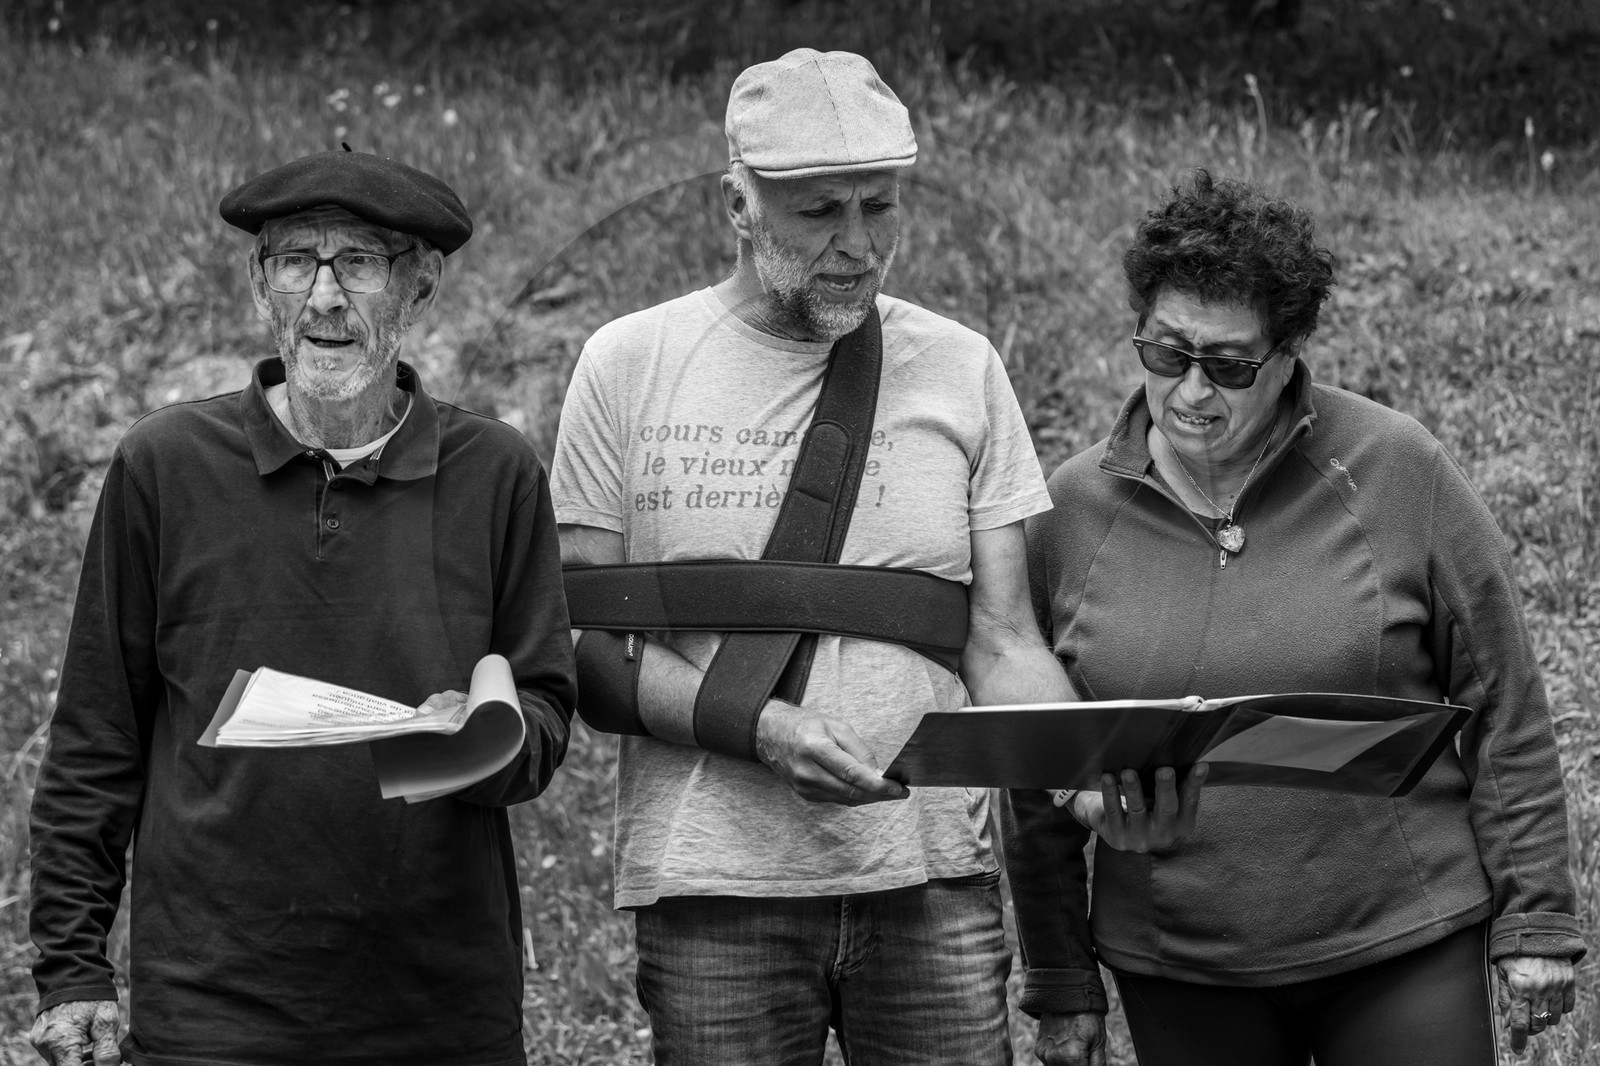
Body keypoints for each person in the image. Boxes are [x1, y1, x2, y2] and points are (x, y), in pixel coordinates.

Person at [550, 48, 1201, 1065]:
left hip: (931, 883)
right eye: (818, 213)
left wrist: (1086, 773)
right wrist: (760, 728)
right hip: (714, 890)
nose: (858, 244)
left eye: (880, 207)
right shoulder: (626, 365)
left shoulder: (960, 364)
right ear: (738, 202)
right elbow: (589, 650)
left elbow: (1000, 640)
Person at [1003, 169, 1585, 1066]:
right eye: (1166, 355)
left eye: (1230, 367)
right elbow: (1037, 760)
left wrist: (1537, 915)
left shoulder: (1396, 469)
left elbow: (1505, 699)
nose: (1193, 392)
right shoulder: (1070, 510)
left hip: (1400, 939)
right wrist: (1060, 978)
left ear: (1288, 354)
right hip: (1182, 960)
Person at [28, 149, 577, 1066]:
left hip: (439, 1011)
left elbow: (548, 712)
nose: (325, 297)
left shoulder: (497, 473)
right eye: (296, 262)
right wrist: (73, 968)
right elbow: (97, 733)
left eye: (360, 262)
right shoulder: (166, 465)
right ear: (261, 286)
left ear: (420, 286)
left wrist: (486, 738)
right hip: (212, 1013)